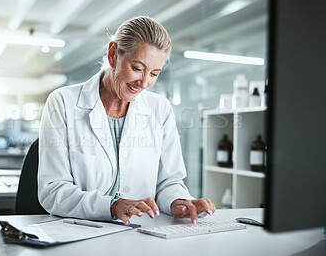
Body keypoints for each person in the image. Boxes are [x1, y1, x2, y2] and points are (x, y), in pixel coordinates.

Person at [38, 16, 215, 225]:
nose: (144, 82)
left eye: (154, 73)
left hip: (140, 233)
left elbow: (169, 181)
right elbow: (53, 190)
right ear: (113, 54)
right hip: (81, 232)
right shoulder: (63, 103)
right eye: (138, 68)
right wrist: (112, 206)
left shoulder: (160, 109)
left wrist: (178, 201)